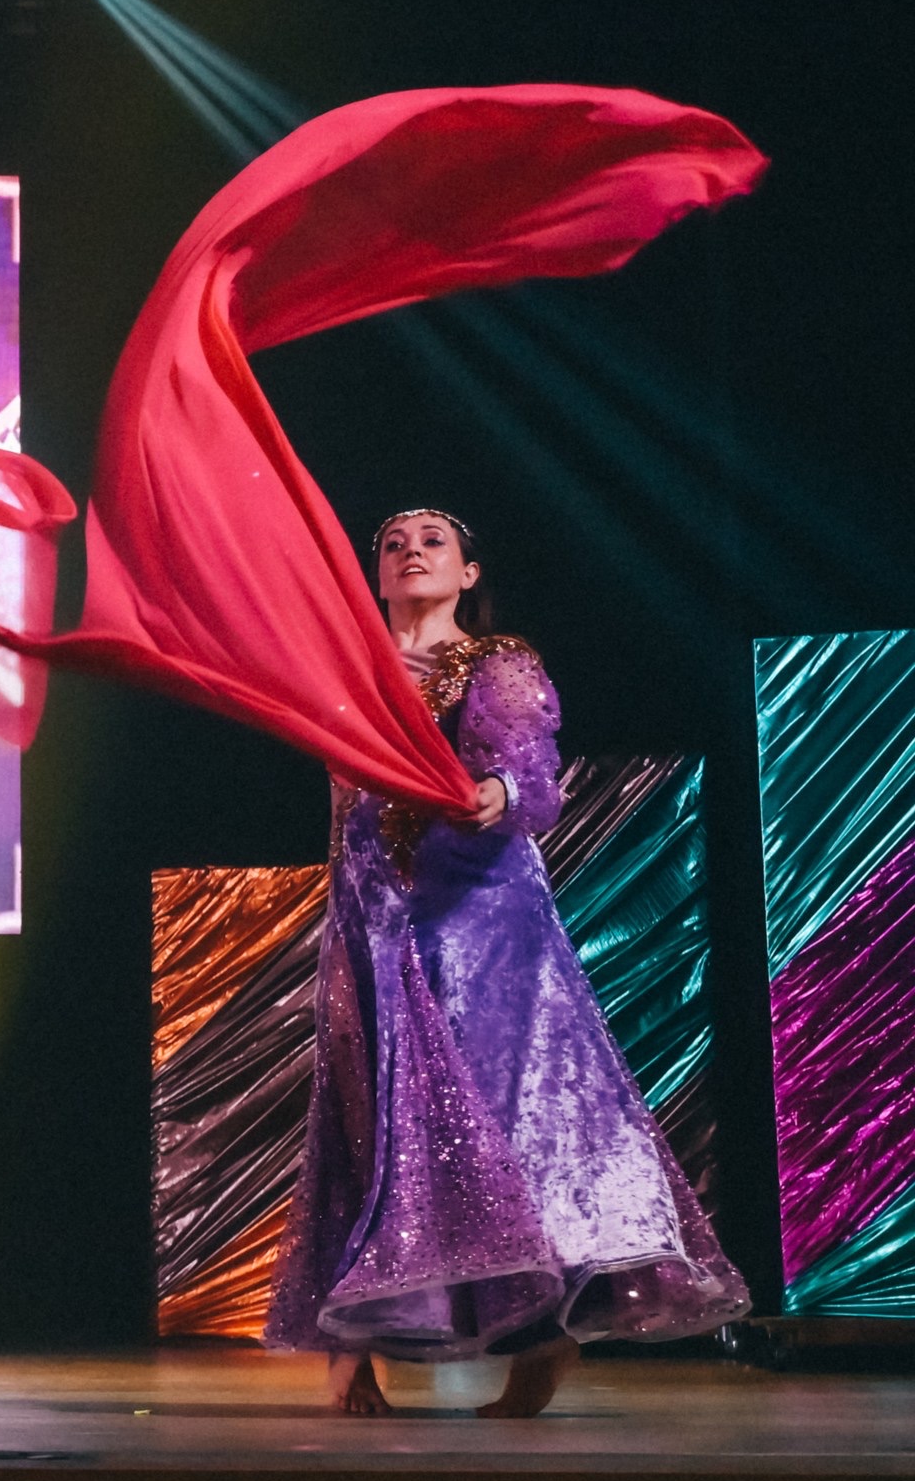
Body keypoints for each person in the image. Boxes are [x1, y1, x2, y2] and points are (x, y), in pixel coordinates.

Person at [265, 510, 747, 1417]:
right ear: (375, 572)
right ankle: (352, 1351)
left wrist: (499, 788)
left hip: (480, 923)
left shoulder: (496, 662)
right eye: (394, 543)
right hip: (371, 920)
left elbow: (533, 772)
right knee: (370, 1122)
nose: (411, 551)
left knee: (510, 1119)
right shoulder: (347, 671)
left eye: (432, 542)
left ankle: (542, 1340)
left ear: (469, 572)